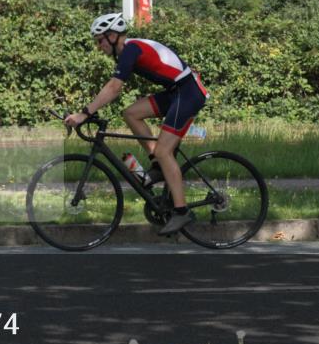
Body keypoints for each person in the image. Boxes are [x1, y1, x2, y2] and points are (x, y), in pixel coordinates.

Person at [64, 12, 210, 235]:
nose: (98, 46)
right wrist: (89, 110)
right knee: (131, 113)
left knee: (164, 151)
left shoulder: (130, 48)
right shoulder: (126, 51)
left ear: (113, 35)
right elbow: (112, 87)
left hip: (188, 92)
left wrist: (84, 113)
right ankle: (158, 166)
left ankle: (182, 212)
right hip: (175, 92)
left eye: (100, 40)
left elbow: (114, 87)